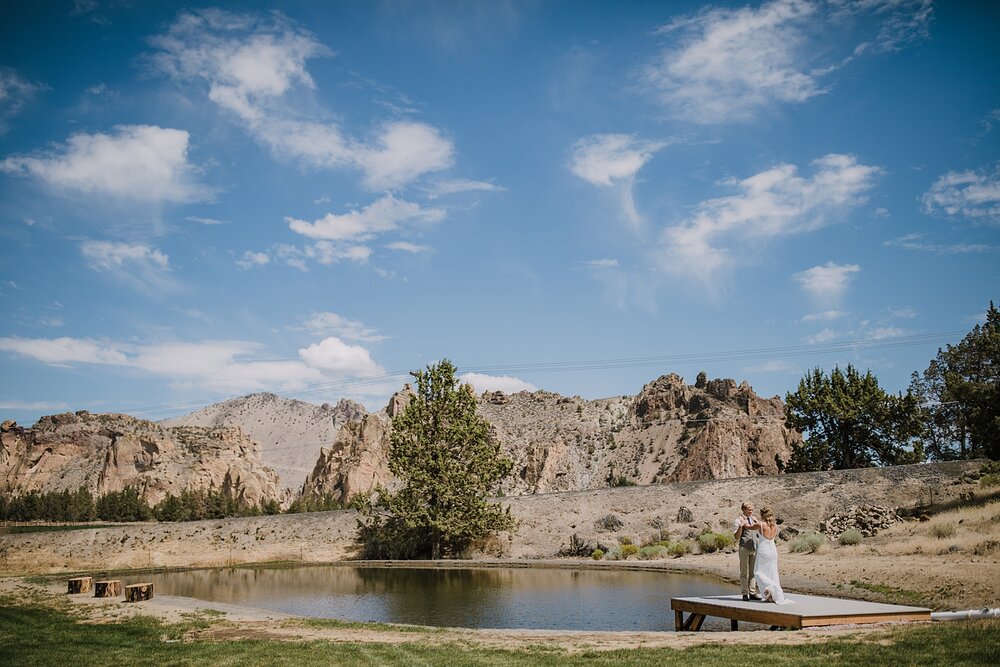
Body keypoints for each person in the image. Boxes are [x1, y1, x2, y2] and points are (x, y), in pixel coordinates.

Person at [751, 507, 792, 604]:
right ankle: (771, 595)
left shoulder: (760, 524)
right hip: (773, 550)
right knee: (772, 572)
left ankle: (774, 587)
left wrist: (744, 522)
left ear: (762, 515)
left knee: (758, 572)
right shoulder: (775, 526)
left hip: (764, 550)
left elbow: (749, 527)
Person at [732, 501, 760, 601]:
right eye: (749, 510)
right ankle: (744, 593)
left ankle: (752, 592)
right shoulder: (738, 520)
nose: (751, 511)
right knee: (744, 572)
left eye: (752, 510)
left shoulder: (754, 519)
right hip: (744, 548)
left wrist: (757, 523)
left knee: (753, 572)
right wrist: (741, 526)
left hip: (754, 548)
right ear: (743, 510)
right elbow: (736, 537)